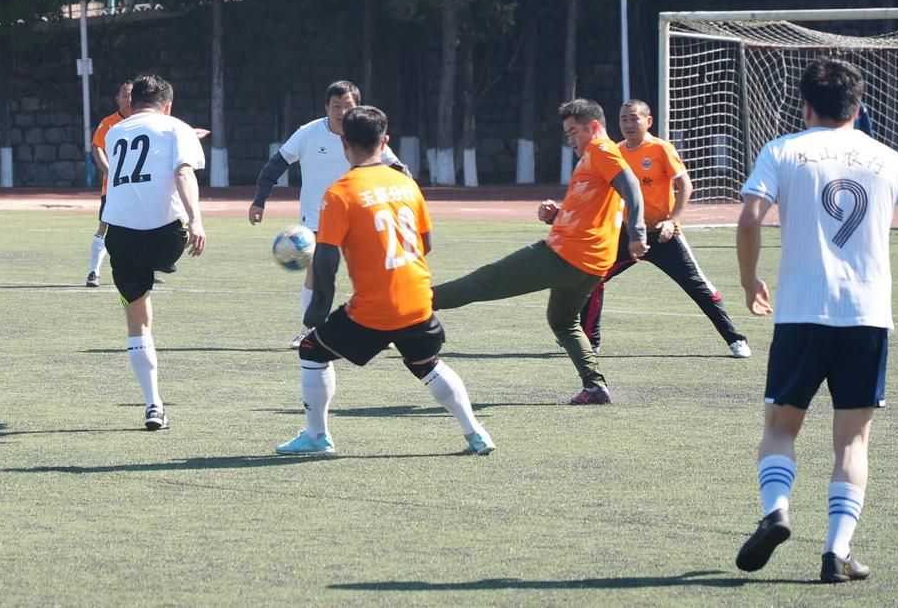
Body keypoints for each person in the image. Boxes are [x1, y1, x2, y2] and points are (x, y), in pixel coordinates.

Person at [733, 58, 898, 583]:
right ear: (858, 106)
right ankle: (837, 550)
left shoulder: (783, 150)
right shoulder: (887, 158)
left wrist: (749, 278)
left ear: (805, 106)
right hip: (867, 317)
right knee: (852, 440)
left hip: (801, 314)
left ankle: (776, 511)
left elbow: (750, 218)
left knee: (780, 426)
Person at [276, 106, 493, 457]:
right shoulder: (407, 184)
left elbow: (327, 261)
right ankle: (475, 432)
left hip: (374, 309)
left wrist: (315, 314)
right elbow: (426, 243)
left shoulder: (340, 192)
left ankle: (317, 436)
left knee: (312, 350)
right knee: (426, 363)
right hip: (418, 300)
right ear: (385, 141)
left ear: (344, 143)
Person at [430, 99, 646, 404]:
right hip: (593, 264)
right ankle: (595, 387)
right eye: (567, 134)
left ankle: (416, 305)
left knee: (486, 280)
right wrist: (557, 215)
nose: (570, 139)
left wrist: (637, 232)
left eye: (574, 132)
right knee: (563, 321)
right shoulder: (594, 157)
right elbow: (594, 210)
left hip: (565, 255)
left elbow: (632, 185)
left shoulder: (600, 149)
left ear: (594, 127)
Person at [579, 99, 752, 358]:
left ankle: (735, 340)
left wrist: (672, 220)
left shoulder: (661, 149)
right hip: (628, 234)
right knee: (591, 277)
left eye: (634, 118)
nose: (628, 124)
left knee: (698, 286)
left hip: (663, 235)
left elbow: (686, 186)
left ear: (648, 121)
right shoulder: (615, 151)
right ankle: (589, 341)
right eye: (624, 119)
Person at [248, 80, 405, 347]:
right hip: (319, 217)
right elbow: (275, 166)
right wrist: (259, 200)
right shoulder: (308, 133)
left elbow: (397, 168)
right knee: (318, 271)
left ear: (358, 107)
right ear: (326, 107)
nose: (342, 112)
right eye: (336, 106)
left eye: (348, 106)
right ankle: (311, 330)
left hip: (363, 215)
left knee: (374, 270)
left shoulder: (365, 132)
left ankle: (381, 328)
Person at [100, 72, 207, 431]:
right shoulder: (177, 128)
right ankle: (164, 266)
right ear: (168, 105)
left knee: (138, 322)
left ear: (131, 104)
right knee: (160, 255)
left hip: (121, 236)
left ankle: (153, 404)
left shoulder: (115, 132)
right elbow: (183, 174)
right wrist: (197, 220)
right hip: (166, 239)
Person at [85, 79, 134, 287]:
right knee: (105, 226)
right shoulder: (109, 123)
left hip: (139, 187)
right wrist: (108, 171)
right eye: (125, 95)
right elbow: (97, 147)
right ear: (117, 99)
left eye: (133, 95)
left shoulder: (144, 123)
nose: (129, 99)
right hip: (113, 188)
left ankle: (144, 268)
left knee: (142, 226)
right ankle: (93, 272)